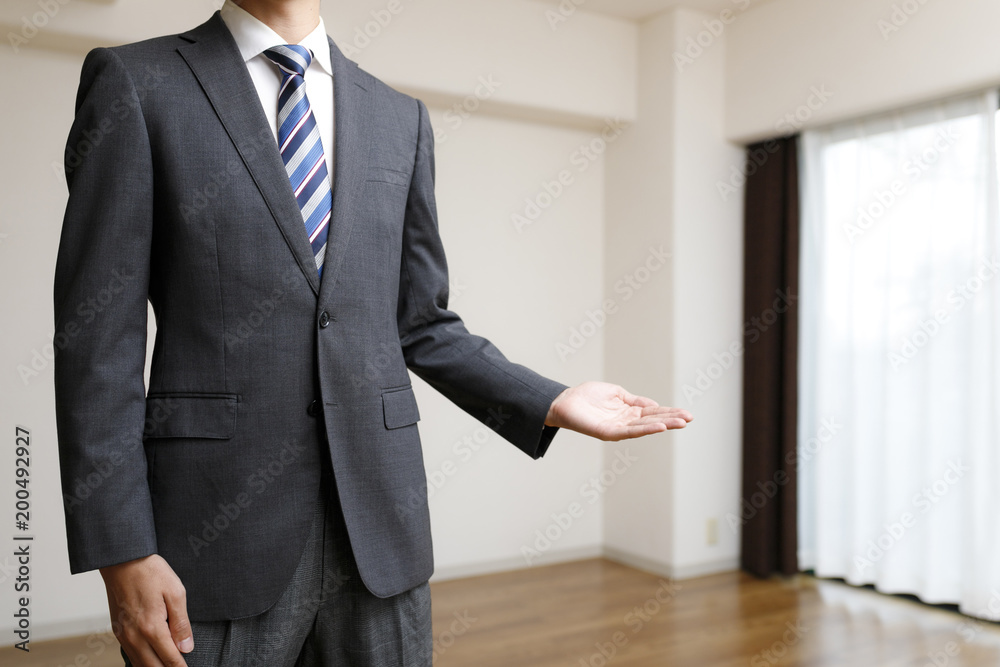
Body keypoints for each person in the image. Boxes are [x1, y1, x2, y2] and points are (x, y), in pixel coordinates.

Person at [52, 1, 693, 665]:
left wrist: (551, 399)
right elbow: (95, 341)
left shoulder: (399, 117)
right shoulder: (138, 83)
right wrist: (122, 548)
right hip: (214, 533)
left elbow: (422, 322)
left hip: (381, 526)